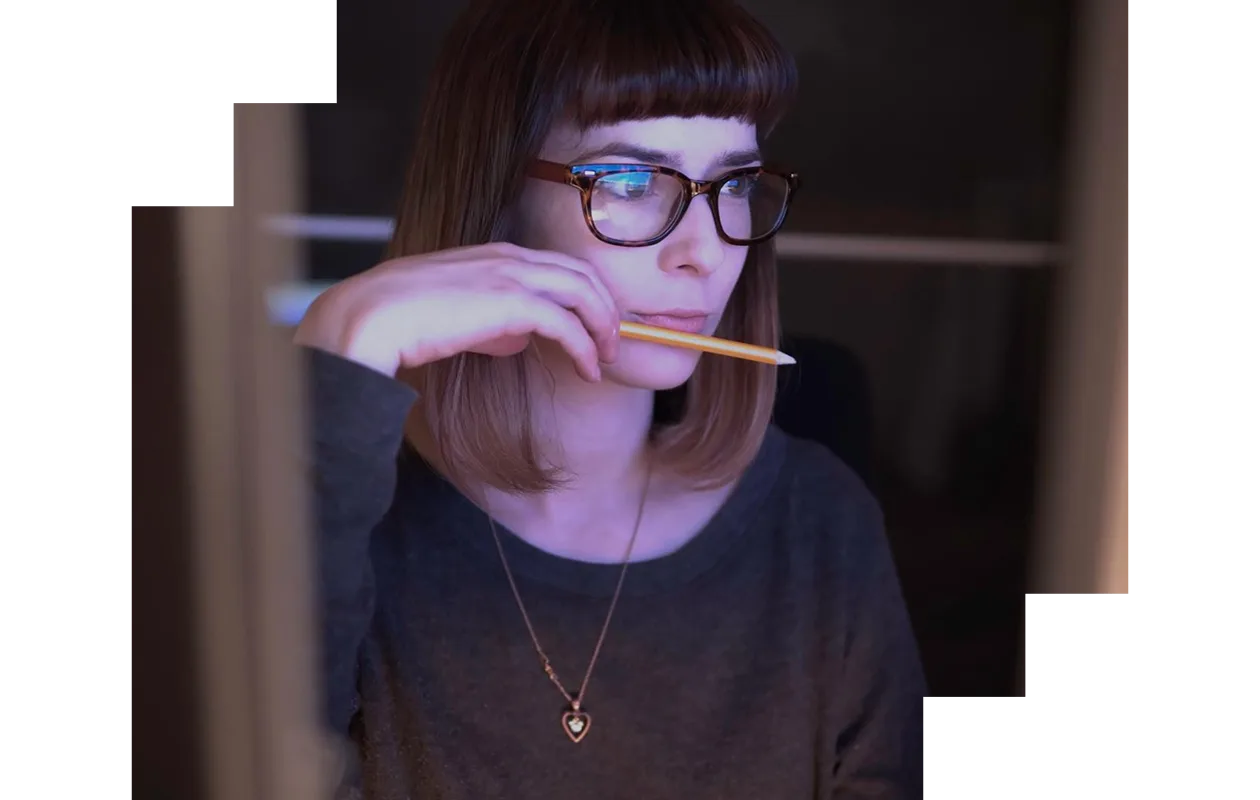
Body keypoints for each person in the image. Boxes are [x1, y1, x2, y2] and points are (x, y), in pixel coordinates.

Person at [293, 0, 928, 797]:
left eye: (732, 183)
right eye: (629, 179)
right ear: (495, 193)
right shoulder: (342, 524)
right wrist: (344, 344)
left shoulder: (824, 524)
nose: (702, 252)